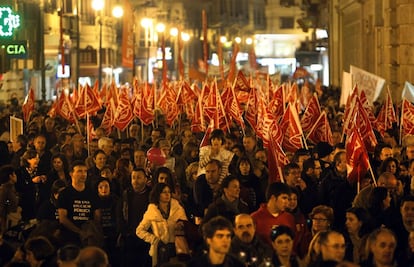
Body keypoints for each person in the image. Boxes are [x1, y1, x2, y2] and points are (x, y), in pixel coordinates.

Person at [136, 183, 188, 266]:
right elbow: (139, 230)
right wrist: (154, 239)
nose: (167, 194)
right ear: (158, 194)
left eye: (169, 192)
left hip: (177, 248)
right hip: (160, 249)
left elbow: (185, 223)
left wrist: (181, 225)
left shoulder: (177, 208)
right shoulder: (152, 211)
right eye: (164, 192)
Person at [57, 160, 102, 246]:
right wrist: (79, 231)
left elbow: (97, 216)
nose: (83, 174)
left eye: (85, 171)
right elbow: (62, 218)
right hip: (70, 238)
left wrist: (90, 231)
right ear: (71, 173)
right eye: (79, 171)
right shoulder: (64, 194)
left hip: (88, 238)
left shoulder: (92, 194)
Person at [118, 168, 151, 267]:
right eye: (133, 178)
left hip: (146, 237)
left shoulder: (151, 195)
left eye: (139, 178)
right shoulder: (126, 194)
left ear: (145, 179)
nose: (135, 181)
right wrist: (124, 231)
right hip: (130, 236)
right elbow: (120, 214)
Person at [251, 182, 295, 246]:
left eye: (288, 199)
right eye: (284, 198)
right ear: (273, 198)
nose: (287, 202)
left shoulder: (289, 218)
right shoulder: (255, 218)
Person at [0, 164, 19, 236]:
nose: (16, 176)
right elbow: (1, 208)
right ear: (10, 176)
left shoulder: (11, 188)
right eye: (14, 174)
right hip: (8, 224)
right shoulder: (4, 190)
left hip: (13, 221)